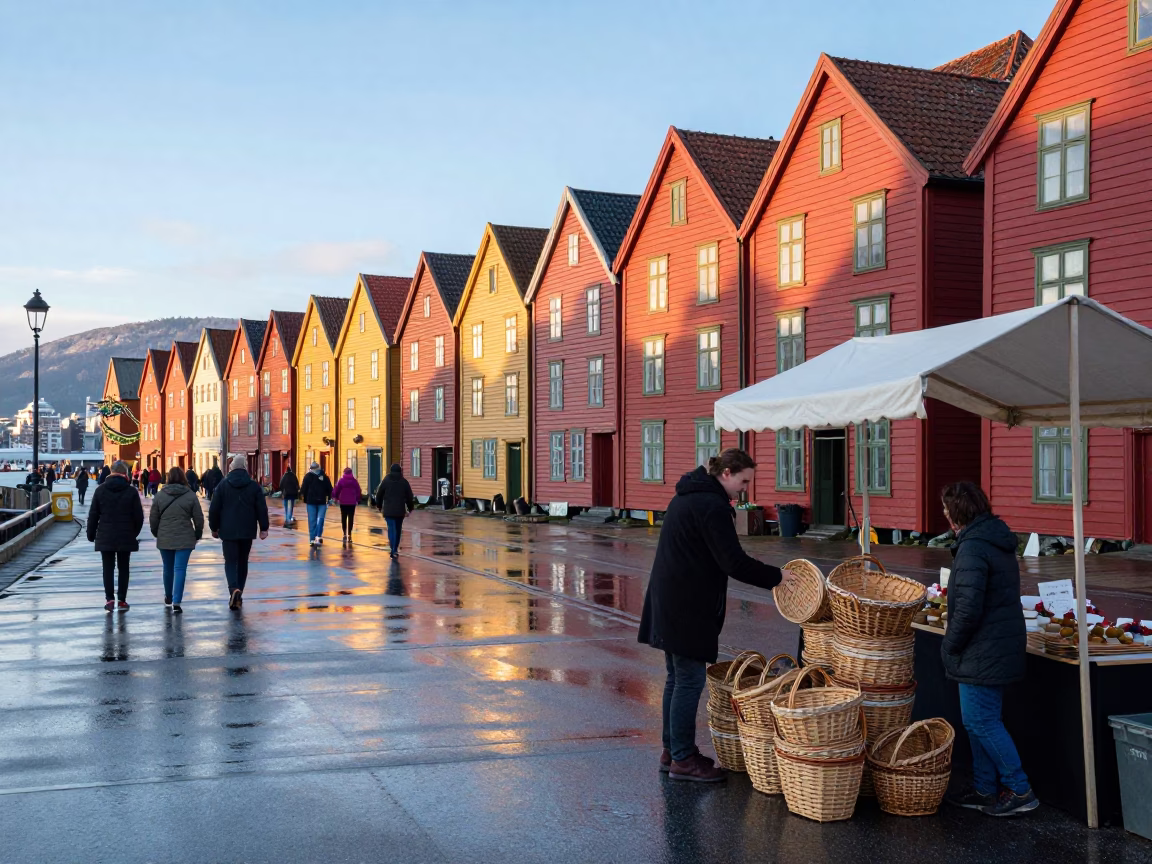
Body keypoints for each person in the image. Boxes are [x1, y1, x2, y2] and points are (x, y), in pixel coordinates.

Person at [638, 449, 793, 783]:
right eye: (743, 481)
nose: (744, 489)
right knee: (689, 680)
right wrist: (778, 577)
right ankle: (682, 759)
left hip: (670, 600)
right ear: (726, 473)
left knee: (676, 678)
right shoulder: (711, 506)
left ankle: (673, 751)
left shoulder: (688, 496)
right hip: (688, 604)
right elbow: (733, 562)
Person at [940, 482, 1037, 817]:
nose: (943, 514)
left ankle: (1019, 788)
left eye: (945, 509)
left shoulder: (973, 549)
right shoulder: (991, 540)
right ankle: (985, 787)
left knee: (982, 722)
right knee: (978, 721)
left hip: (983, 648)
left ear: (955, 516)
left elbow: (968, 610)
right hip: (993, 644)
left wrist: (949, 645)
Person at [208, 455, 269, 609]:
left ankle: (233, 589)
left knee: (230, 561)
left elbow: (214, 509)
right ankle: (239, 592)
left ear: (232, 467)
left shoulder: (222, 486)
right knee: (242, 562)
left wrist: (214, 528)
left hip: (227, 530)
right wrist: (264, 528)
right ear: (245, 467)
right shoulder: (254, 486)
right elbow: (261, 508)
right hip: (247, 530)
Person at [87, 460, 145, 611]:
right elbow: (138, 517)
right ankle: (122, 600)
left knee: (108, 568)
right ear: (125, 473)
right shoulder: (131, 491)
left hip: (105, 535)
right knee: (123, 568)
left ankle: (109, 599)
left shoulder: (100, 490)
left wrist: (91, 534)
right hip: (126, 535)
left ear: (111, 472)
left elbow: (93, 515)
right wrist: (133, 532)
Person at [150, 466, 203, 614]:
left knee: (168, 568)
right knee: (180, 569)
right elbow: (198, 518)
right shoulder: (191, 495)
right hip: (185, 537)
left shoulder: (160, 496)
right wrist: (197, 533)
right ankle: (177, 601)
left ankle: (168, 595)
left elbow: (153, 518)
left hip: (165, 536)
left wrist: (156, 532)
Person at [374, 463, 415, 559]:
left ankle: (392, 549)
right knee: (398, 529)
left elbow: (379, 495)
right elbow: (409, 496)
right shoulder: (404, 482)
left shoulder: (386, 481)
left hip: (388, 510)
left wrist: (379, 506)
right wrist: (410, 508)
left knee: (391, 529)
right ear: (400, 471)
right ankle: (395, 549)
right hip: (400, 510)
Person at [300, 462, 333, 547]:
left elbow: (303, 489)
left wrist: (304, 497)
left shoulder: (309, 476)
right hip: (320, 502)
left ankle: (314, 538)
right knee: (319, 520)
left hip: (312, 502)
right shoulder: (324, 477)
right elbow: (329, 489)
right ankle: (316, 537)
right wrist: (329, 498)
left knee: (313, 521)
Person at [333, 467, 363, 543]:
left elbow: (337, 489)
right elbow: (358, 490)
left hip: (343, 502)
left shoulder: (341, 480)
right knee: (351, 517)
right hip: (352, 502)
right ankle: (349, 533)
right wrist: (358, 499)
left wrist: (335, 497)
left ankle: (344, 533)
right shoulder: (354, 481)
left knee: (343, 517)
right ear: (351, 473)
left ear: (344, 473)